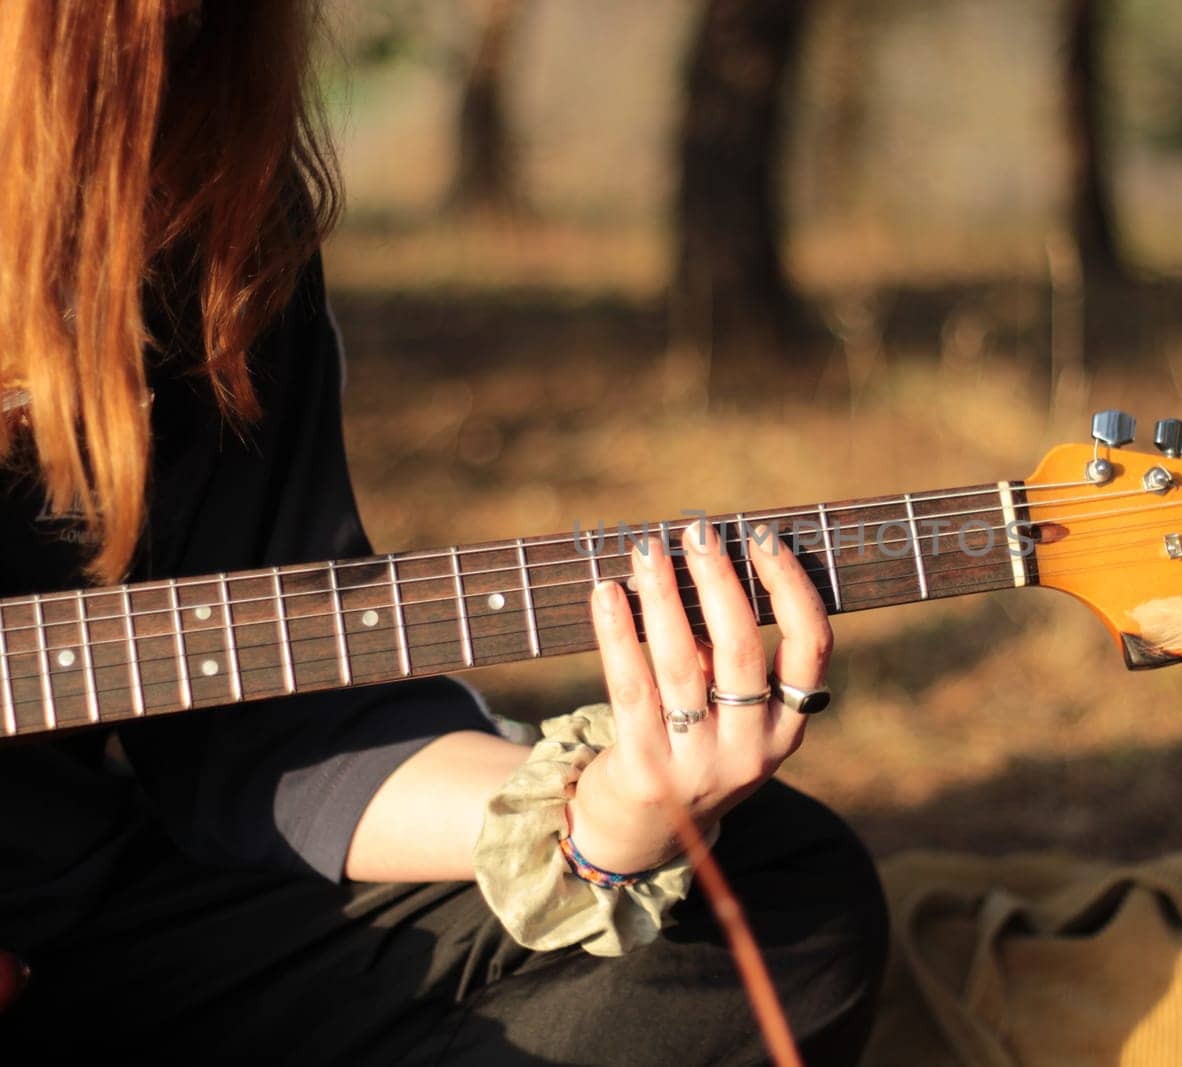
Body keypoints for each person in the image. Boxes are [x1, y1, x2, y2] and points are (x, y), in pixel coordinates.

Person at [0, 3, 888, 1062]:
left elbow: (274, 730)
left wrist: (591, 824)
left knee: (775, 896)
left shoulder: (199, 175)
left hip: (76, 933)